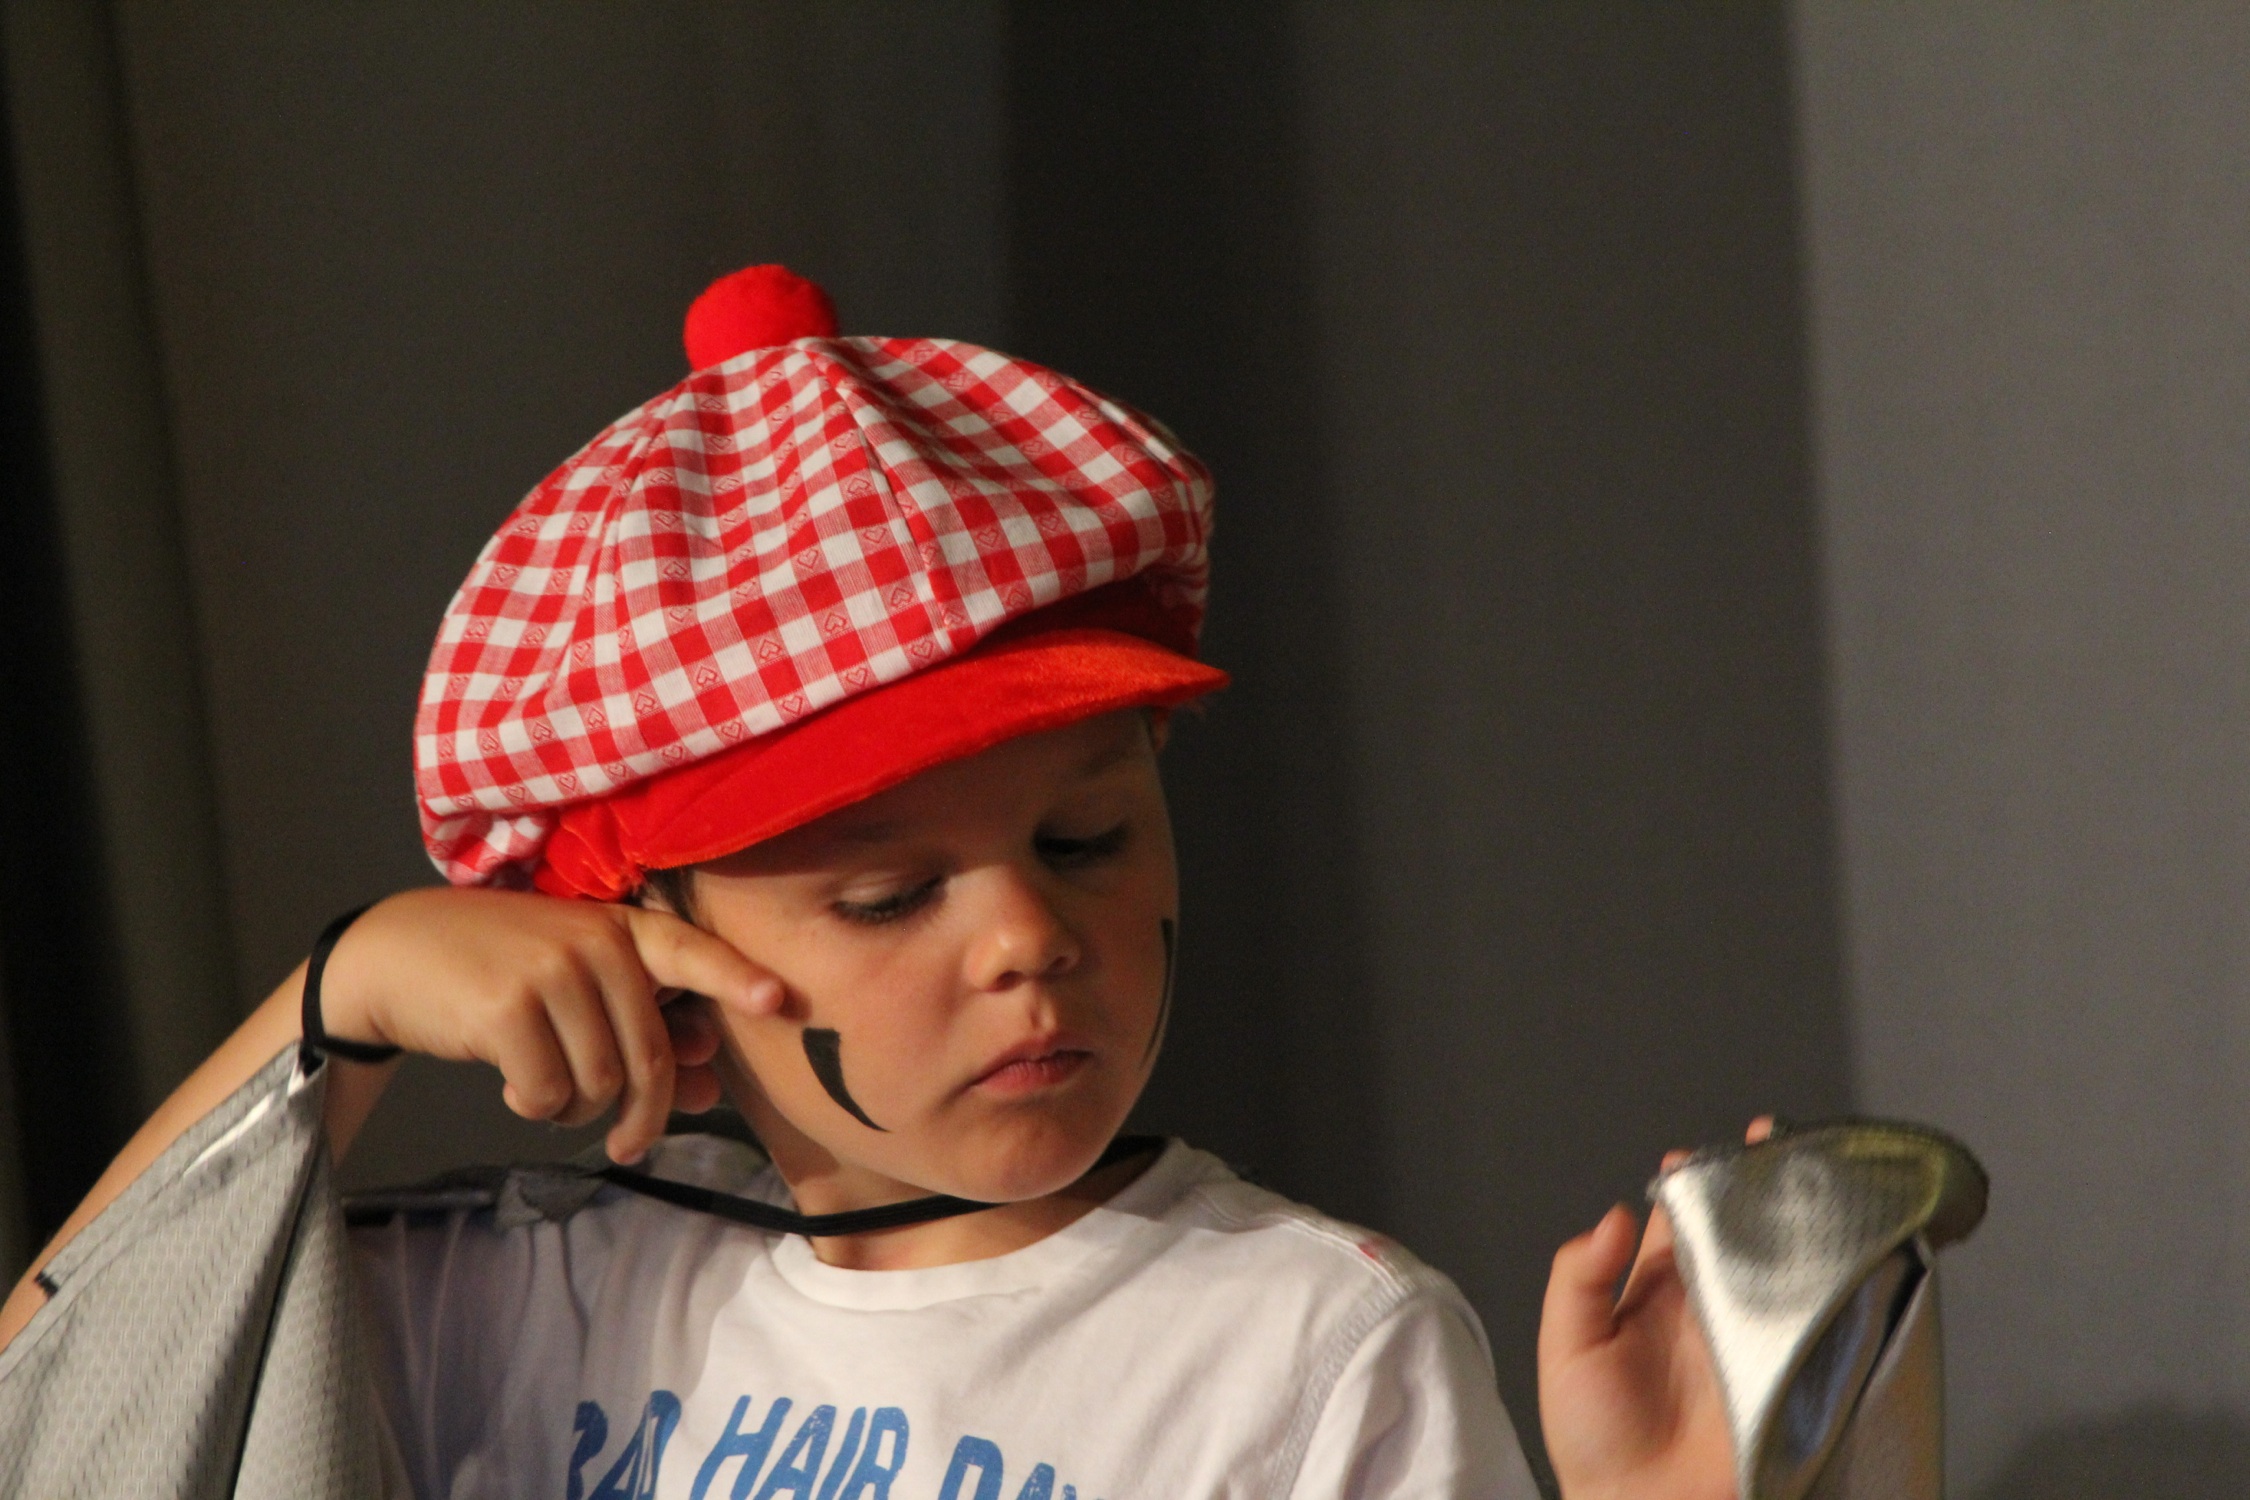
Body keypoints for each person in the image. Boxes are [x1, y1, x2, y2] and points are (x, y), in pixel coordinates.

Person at [0, 265, 1736, 1499]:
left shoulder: (1310, 1343)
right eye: (888, 896)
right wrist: (343, 1000)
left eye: (1083, 841)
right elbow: (64, 1409)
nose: (1028, 938)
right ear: (647, 951)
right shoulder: (519, 1300)